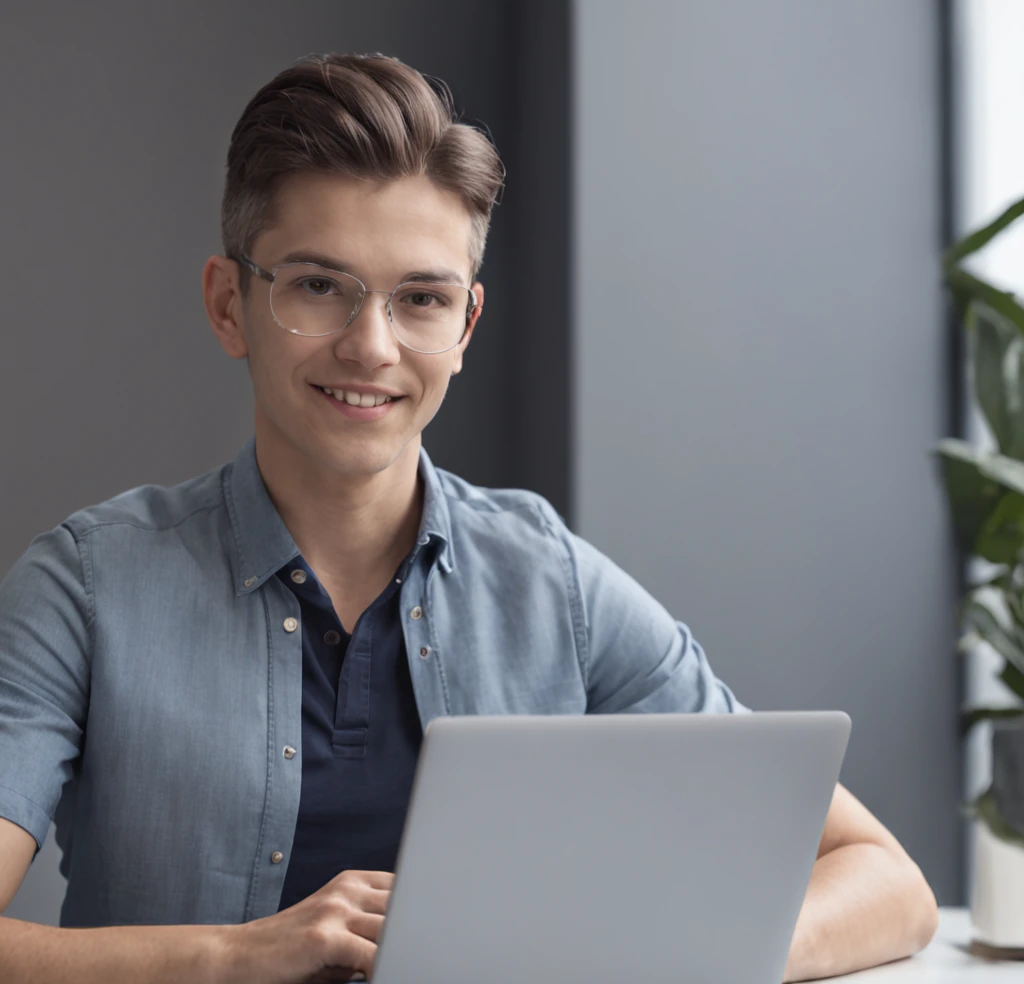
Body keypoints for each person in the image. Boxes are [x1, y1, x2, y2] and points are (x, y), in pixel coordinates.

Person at [0, 52, 937, 984]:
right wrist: (235, 956)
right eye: (319, 285)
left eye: (422, 299)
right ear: (228, 304)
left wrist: (675, 957)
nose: (372, 346)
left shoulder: (552, 585)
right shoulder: (85, 588)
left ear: (466, 328)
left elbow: (888, 884)